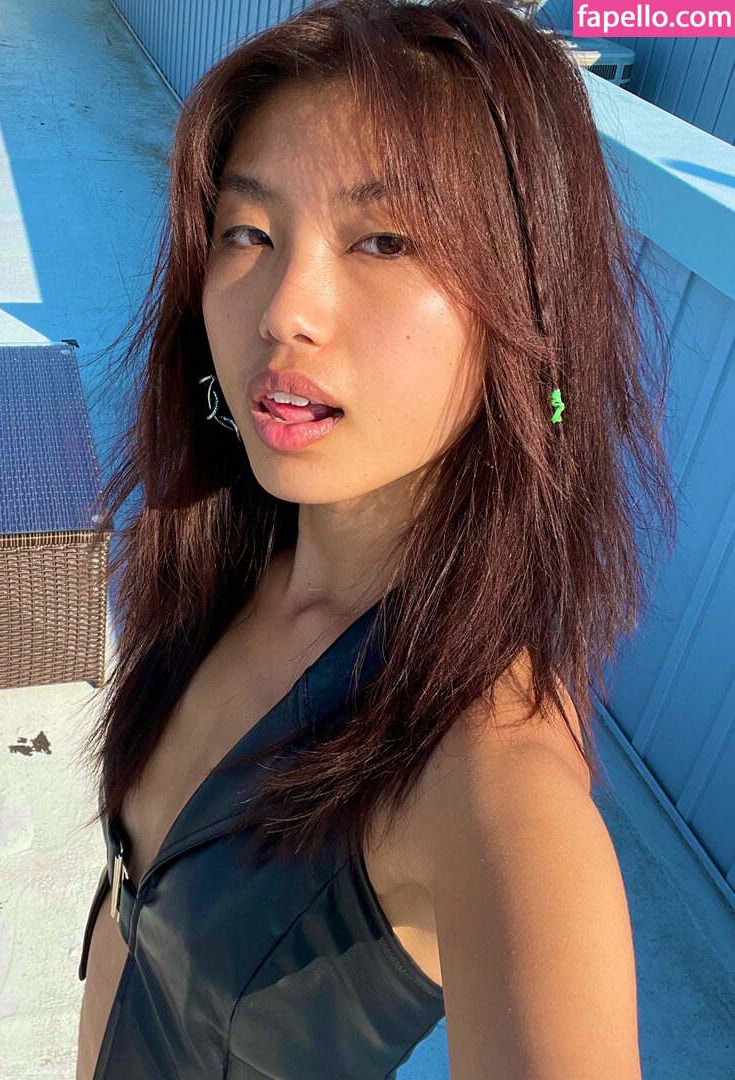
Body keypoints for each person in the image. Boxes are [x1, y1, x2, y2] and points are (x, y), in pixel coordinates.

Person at [75, 0, 677, 1076]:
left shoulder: (494, 773)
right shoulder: (223, 565)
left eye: (385, 241)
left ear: (527, 309)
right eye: (248, 233)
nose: (284, 310)